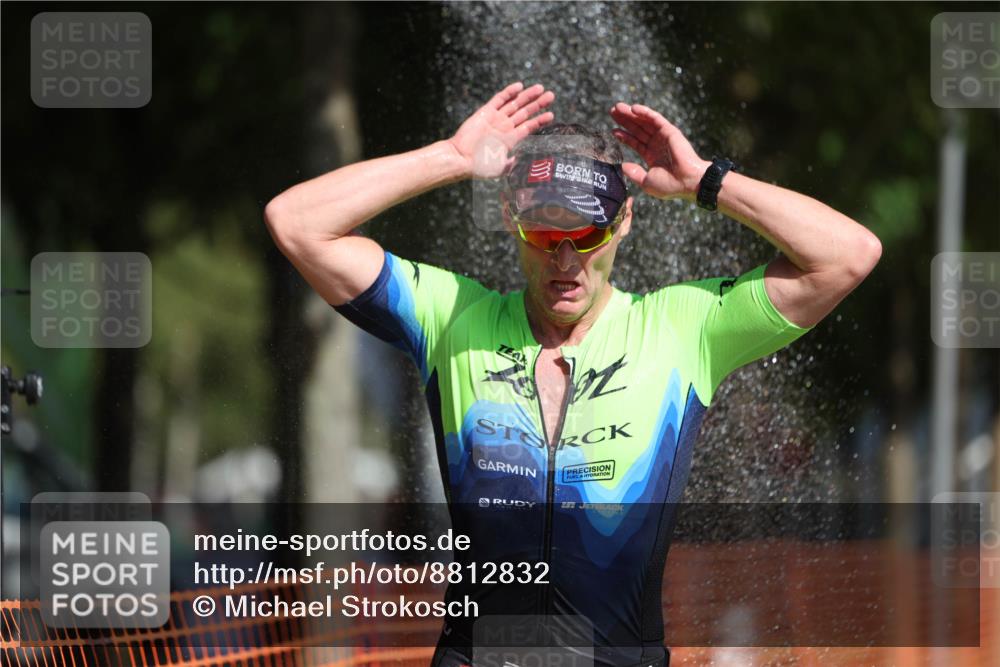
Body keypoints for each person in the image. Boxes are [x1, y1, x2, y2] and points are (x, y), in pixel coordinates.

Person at [264, 82, 882, 667]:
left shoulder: (678, 329)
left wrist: (705, 181)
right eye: (544, 233)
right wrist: (451, 158)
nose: (565, 261)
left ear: (624, 224)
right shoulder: (452, 318)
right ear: (511, 219)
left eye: (586, 235)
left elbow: (848, 254)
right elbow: (296, 221)